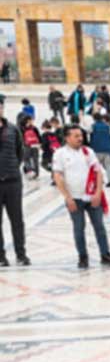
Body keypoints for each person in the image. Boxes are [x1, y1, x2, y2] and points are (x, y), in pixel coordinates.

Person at [52, 125, 110, 269]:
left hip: (92, 196)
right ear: (67, 137)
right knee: (78, 228)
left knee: (99, 226)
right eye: (76, 136)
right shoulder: (60, 154)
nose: (80, 138)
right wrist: (67, 197)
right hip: (74, 198)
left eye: (81, 135)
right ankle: (83, 256)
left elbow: (98, 172)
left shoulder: (88, 152)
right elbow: (57, 176)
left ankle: (105, 254)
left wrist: (98, 193)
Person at [0, 95, 30, 267]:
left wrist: (12, 168)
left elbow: (20, 152)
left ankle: (21, 253)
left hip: (12, 181)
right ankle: (1, 256)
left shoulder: (13, 129)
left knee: (17, 219)